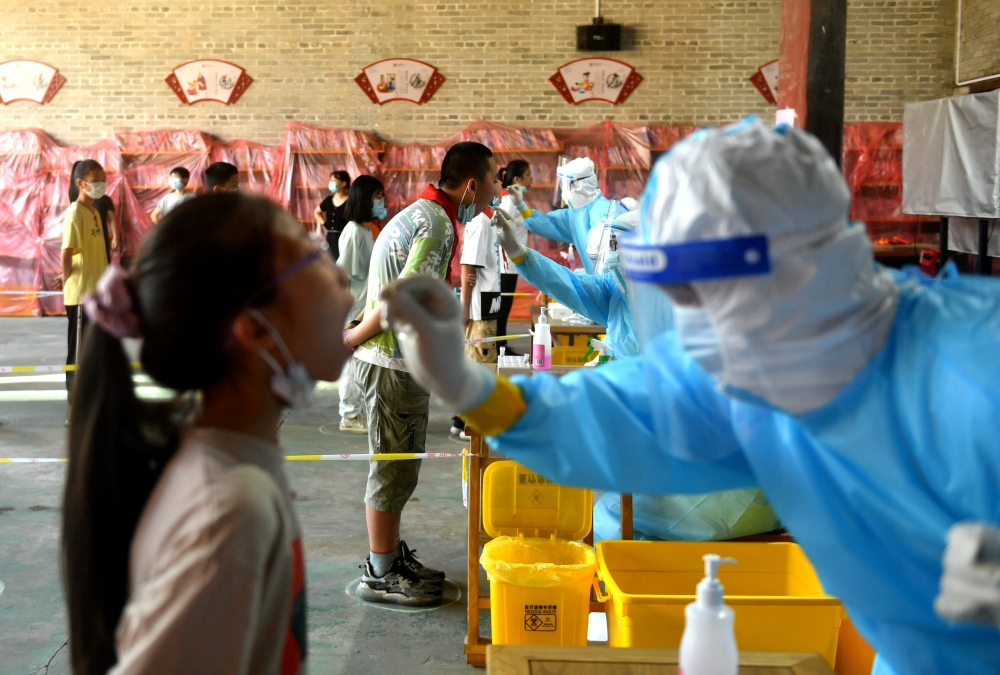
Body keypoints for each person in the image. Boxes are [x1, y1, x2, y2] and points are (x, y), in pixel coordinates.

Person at [381, 118, 1000, 674]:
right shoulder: (771, 365)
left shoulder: (973, 379)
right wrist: (470, 387)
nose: (690, 326)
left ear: (786, 268)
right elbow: (638, 411)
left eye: (700, 296)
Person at [62, 193, 355, 675]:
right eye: (311, 255)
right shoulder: (230, 513)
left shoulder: (235, 469)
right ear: (258, 331)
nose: (340, 274)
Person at [491, 205, 779, 542]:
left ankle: (642, 583)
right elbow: (572, 285)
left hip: (739, 482)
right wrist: (519, 253)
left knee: (612, 515)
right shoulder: (623, 292)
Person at [342, 141, 499, 606]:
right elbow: (399, 301)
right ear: (472, 184)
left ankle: (388, 558)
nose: (492, 192)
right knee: (393, 468)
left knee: (399, 465)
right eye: (491, 181)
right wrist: (351, 339)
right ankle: (380, 570)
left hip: (390, 359)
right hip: (391, 364)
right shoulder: (436, 225)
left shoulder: (420, 213)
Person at [506, 156, 625, 274]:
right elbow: (546, 223)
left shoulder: (605, 213)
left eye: (564, 185)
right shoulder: (575, 215)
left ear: (578, 186)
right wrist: (520, 206)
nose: (562, 192)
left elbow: (613, 268)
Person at [56, 159, 110, 398]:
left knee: (94, 349)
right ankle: (74, 400)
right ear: (81, 183)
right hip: (80, 295)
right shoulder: (75, 212)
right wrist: (65, 278)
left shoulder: (95, 212)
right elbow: (66, 253)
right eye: (96, 180)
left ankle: (92, 394)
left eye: (103, 179)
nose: (101, 184)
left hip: (96, 293)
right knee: (77, 351)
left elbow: (86, 253)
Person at [336, 175, 385, 434]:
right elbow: (342, 275)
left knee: (362, 362)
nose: (381, 201)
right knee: (351, 364)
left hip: (366, 306)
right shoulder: (354, 231)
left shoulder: (367, 229)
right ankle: (349, 414)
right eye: (377, 196)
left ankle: (358, 411)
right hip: (354, 309)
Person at [495, 160, 532, 353]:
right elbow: (500, 228)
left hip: (511, 261)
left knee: (505, 305)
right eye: (528, 175)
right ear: (517, 179)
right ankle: (499, 345)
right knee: (503, 305)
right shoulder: (509, 202)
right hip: (506, 263)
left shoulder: (515, 200)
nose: (531, 179)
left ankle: (500, 344)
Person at [315, 170, 351, 261]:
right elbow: (316, 212)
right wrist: (325, 223)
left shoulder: (350, 201)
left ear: (343, 184)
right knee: (331, 262)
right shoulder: (328, 200)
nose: (331, 183)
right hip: (330, 237)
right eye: (330, 181)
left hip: (345, 238)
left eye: (334, 181)